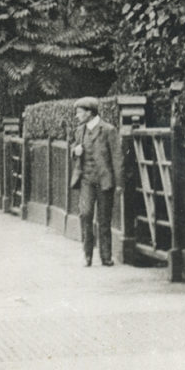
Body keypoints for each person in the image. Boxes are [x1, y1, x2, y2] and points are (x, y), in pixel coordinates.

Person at [69, 96, 121, 267]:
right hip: (86, 180)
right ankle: (87, 255)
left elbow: (117, 158)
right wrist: (74, 151)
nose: (77, 116)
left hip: (104, 181)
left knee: (104, 219)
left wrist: (119, 184)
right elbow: (75, 149)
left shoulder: (108, 130)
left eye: (79, 112)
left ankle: (106, 257)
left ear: (89, 113)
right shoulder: (80, 131)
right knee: (85, 214)